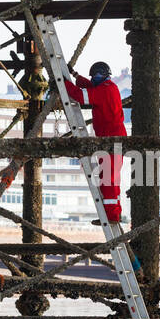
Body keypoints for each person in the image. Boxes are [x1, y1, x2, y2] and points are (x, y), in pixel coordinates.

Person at [65, 61, 127, 224]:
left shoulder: (105, 90)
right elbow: (90, 88)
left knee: (108, 178)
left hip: (110, 139)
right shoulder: (107, 87)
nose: (94, 79)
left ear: (103, 75)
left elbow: (81, 96)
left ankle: (112, 216)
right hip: (112, 139)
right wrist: (75, 76)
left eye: (95, 76)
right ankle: (114, 213)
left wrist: (64, 84)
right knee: (110, 177)